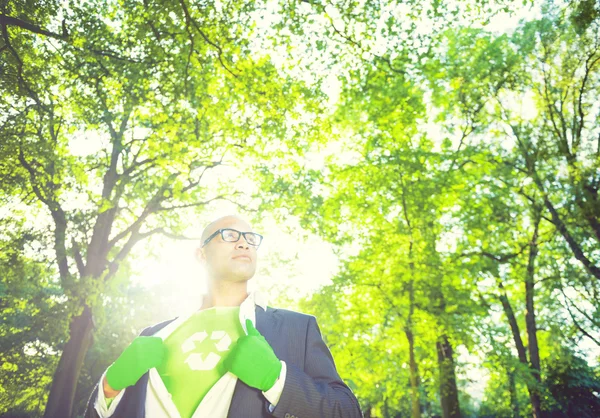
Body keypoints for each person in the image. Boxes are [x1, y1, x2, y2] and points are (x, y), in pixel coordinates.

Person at [84, 214, 363, 418]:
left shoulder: (297, 329)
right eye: (229, 235)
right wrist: (109, 387)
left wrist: (278, 380)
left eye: (250, 239)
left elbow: (347, 412)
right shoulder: (153, 335)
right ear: (201, 254)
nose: (244, 244)